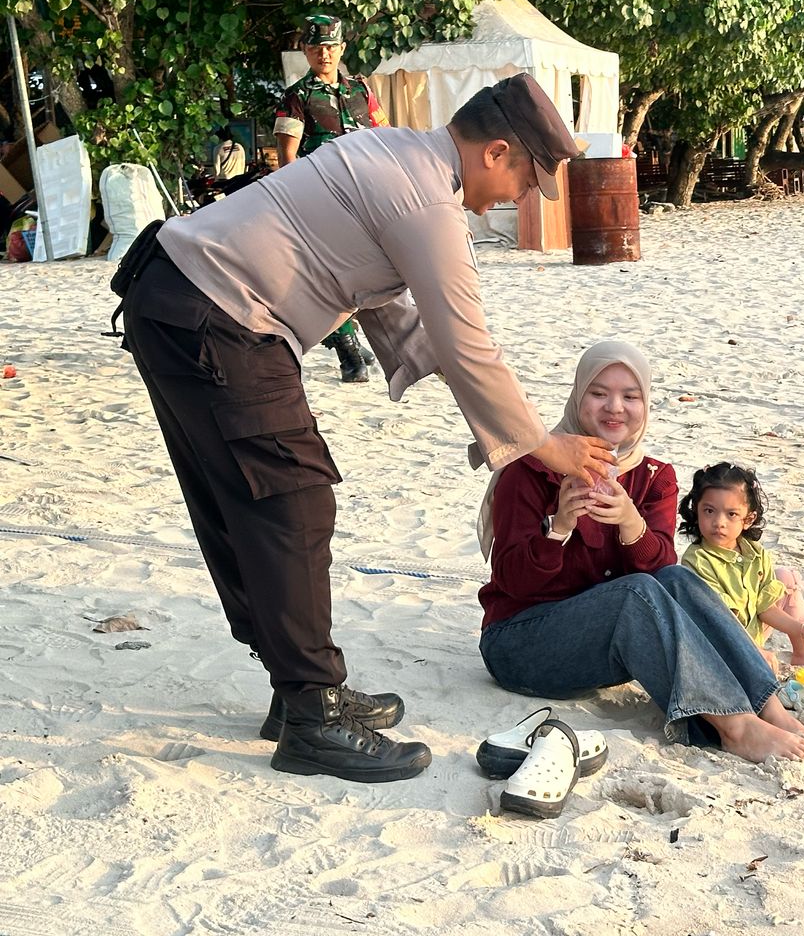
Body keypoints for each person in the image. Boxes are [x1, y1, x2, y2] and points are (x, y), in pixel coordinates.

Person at [111, 73, 612, 783]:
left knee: (245, 501)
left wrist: (506, 430)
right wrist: (541, 444)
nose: (521, 197)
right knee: (292, 503)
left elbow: (396, 312)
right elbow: (467, 342)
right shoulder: (427, 202)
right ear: (497, 151)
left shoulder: (395, 152)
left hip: (177, 297)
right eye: (528, 180)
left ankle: (299, 691)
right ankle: (312, 716)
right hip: (218, 316)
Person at [478, 342, 804, 763]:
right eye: (598, 393)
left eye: (630, 396)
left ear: (646, 403)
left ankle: (767, 707)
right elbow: (512, 581)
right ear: (578, 395)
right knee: (634, 591)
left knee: (676, 577)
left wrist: (630, 522)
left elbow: (663, 575)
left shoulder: (653, 476)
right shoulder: (530, 469)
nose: (614, 408)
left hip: (606, 649)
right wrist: (560, 526)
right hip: (521, 644)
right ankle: (735, 727)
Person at [273, 14, 390, 383]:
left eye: (330, 47)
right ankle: (348, 351)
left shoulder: (361, 90)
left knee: (367, 271)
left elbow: (384, 135)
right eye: (315, 47)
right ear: (305, 51)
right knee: (329, 275)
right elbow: (287, 155)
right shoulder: (296, 97)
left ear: (341, 49)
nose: (323, 53)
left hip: (367, 195)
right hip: (323, 197)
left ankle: (353, 335)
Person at [677, 462, 804, 675]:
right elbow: (722, 620)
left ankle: (803, 651)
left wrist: (802, 630)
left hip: (752, 631)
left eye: (731, 514)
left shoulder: (754, 552)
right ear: (696, 511)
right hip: (720, 644)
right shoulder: (697, 560)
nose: (719, 522)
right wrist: (755, 652)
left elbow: (766, 608)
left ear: (748, 519)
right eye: (709, 511)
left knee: (786, 578)